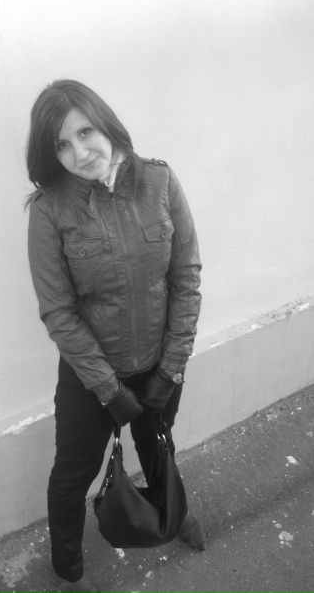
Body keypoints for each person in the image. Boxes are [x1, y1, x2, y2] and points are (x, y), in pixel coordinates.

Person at [26, 79, 204, 593]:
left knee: (158, 447)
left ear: (105, 122)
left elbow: (186, 277)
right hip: (89, 378)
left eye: (85, 132)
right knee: (71, 478)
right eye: (62, 145)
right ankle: (68, 572)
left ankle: (172, 512)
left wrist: (171, 368)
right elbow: (58, 313)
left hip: (159, 364)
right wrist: (109, 389)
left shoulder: (160, 181)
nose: (79, 153)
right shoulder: (49, 210)